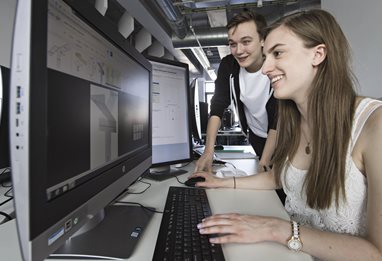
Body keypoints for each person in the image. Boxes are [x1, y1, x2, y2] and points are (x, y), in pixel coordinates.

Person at [189, 9, 382, 260]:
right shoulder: (294, 120)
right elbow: (280, 178)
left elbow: (377, 253)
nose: (265, 68)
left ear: (318, 54)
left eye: (277, 53)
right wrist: (222, 182)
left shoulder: (374, 126)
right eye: (267, 55)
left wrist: (277, 228)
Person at [195, 10, 277, 173]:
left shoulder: (276, 66)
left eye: (246, 42)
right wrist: (208, 151)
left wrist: (265, 162)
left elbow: (279, 118)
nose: (238, 51)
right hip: (256, 138)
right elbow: (218, 105)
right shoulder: (229, 65)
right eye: (233, 44)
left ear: (262, 40)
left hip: (283, 137)